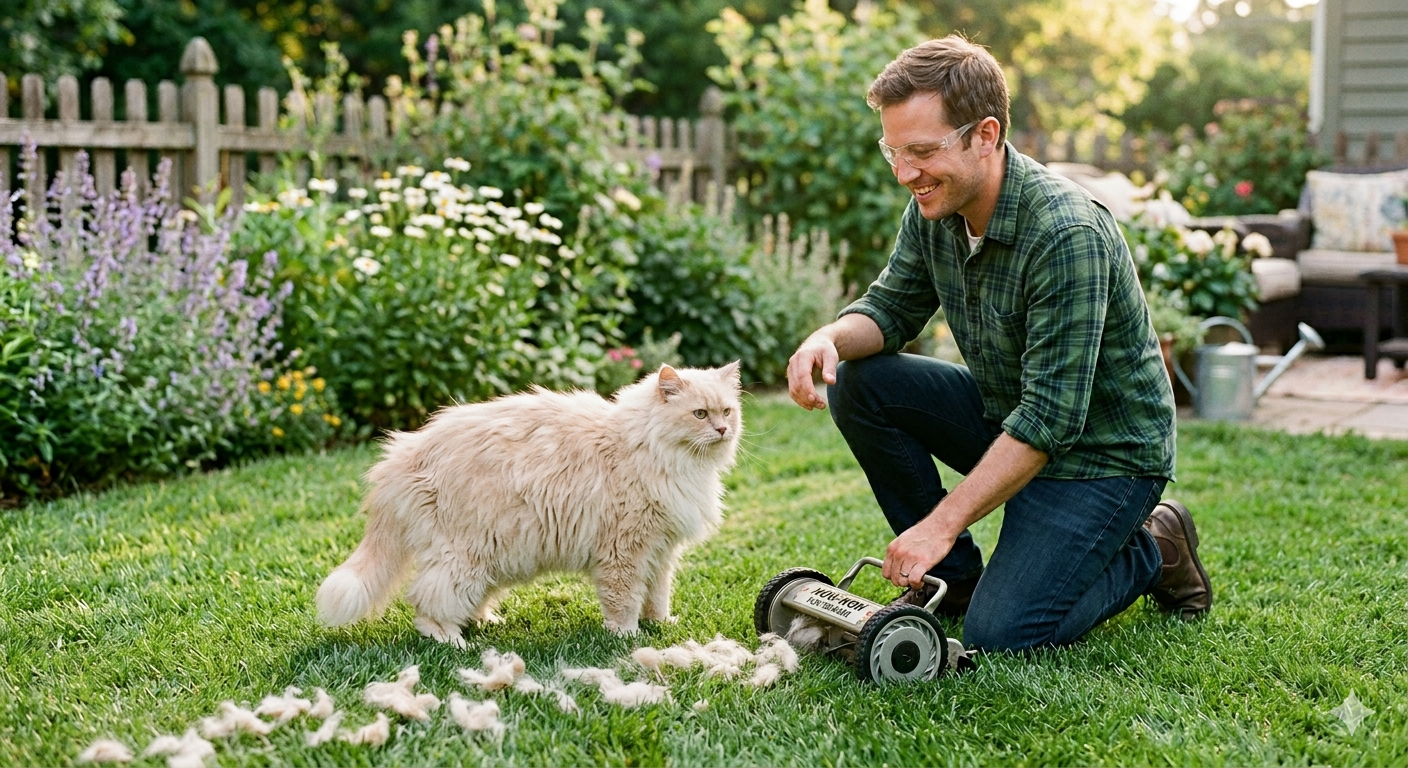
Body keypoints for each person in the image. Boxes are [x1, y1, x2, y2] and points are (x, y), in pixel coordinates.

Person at [785, 36, 1212, 652]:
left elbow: (1051, 418)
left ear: (985, 134)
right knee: (862, 380)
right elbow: (891, 309)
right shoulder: (936, 206)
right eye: (894, 152)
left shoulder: (1066, 233)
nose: (906, 174)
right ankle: (952, 582)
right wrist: (827, 337)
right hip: (1010, 416)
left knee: (1004, 633)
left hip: (1104, 456)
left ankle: (1156, 546)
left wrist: (939, 523)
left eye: (923, 151)